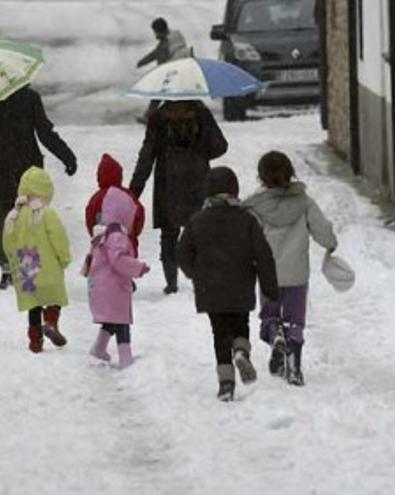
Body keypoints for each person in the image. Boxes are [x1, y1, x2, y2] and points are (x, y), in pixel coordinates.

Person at [178, 167, 279, 401]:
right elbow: (263, 255)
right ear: (234, 190)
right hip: (241, 284)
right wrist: (270, 287)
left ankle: (226, 383)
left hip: (210, 288)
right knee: (240, 324)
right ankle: (242, 351)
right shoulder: (246, 220)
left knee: (219, 332)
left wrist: (196, 273)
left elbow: (182, 253)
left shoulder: (198, 220)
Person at [243, 151, 338, 386]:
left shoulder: (255, 207)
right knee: (295, 320)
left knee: (269, 314)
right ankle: (294, 366)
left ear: (261, 177)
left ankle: (275, 333)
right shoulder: (304, 202)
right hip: (297, 274)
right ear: (290, 173)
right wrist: (331, 244)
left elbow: (248, 238)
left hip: (268, 275)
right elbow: (322, 228)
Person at [0, 85, 77, 290]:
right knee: (29, 218)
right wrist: (67, 157)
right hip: (27, 169)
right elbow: (45, 132)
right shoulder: (29, 98)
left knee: (4, 219)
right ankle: (28, 268)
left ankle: (7, 269)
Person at [129, 99, 228, 295]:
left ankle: (171, 282)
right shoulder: (200, 113)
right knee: (200, 232)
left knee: (168, 234)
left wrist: (134, 191)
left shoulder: (158, 116)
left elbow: (147, 155)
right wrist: (199, 152)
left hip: (168, 181)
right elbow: (220, 146)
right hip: (198, 179)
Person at [3, 166, 72, 354]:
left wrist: (12, 260)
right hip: (47, 265)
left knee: (33, 304)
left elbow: (7, 241)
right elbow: (58, 237)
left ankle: (35, 341)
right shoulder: (47, 214)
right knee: (54, 296)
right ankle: (51, 322)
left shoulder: (14, 215)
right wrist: (64, 258)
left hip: (26, 265)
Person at [86, 188, 151, 369]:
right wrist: (138, 267)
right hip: (113, 287)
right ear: (123, 216)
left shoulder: (102, 235)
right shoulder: (117, 237)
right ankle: (125, 357)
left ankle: (99, 347)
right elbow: (119, 260)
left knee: (111, 318)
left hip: (102, 286)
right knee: (122, 321)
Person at [85, 153, 145, 253]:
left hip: (102, 248)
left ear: (99, 176)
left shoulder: (96, 199)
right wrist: (133, 233)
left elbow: (90, 220)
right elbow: (139, 216)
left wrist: (95, 235)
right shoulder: (128, 196)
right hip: (128, 246)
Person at [136, 17, 190, 123]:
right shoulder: (176, 38)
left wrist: (142, 62)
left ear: (158, 31)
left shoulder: (166, 42)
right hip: (185, 69)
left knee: (160, 93)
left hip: (172, 71)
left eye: (155, 32)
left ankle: (150, 116)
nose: (155, 35)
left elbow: (158, 55)